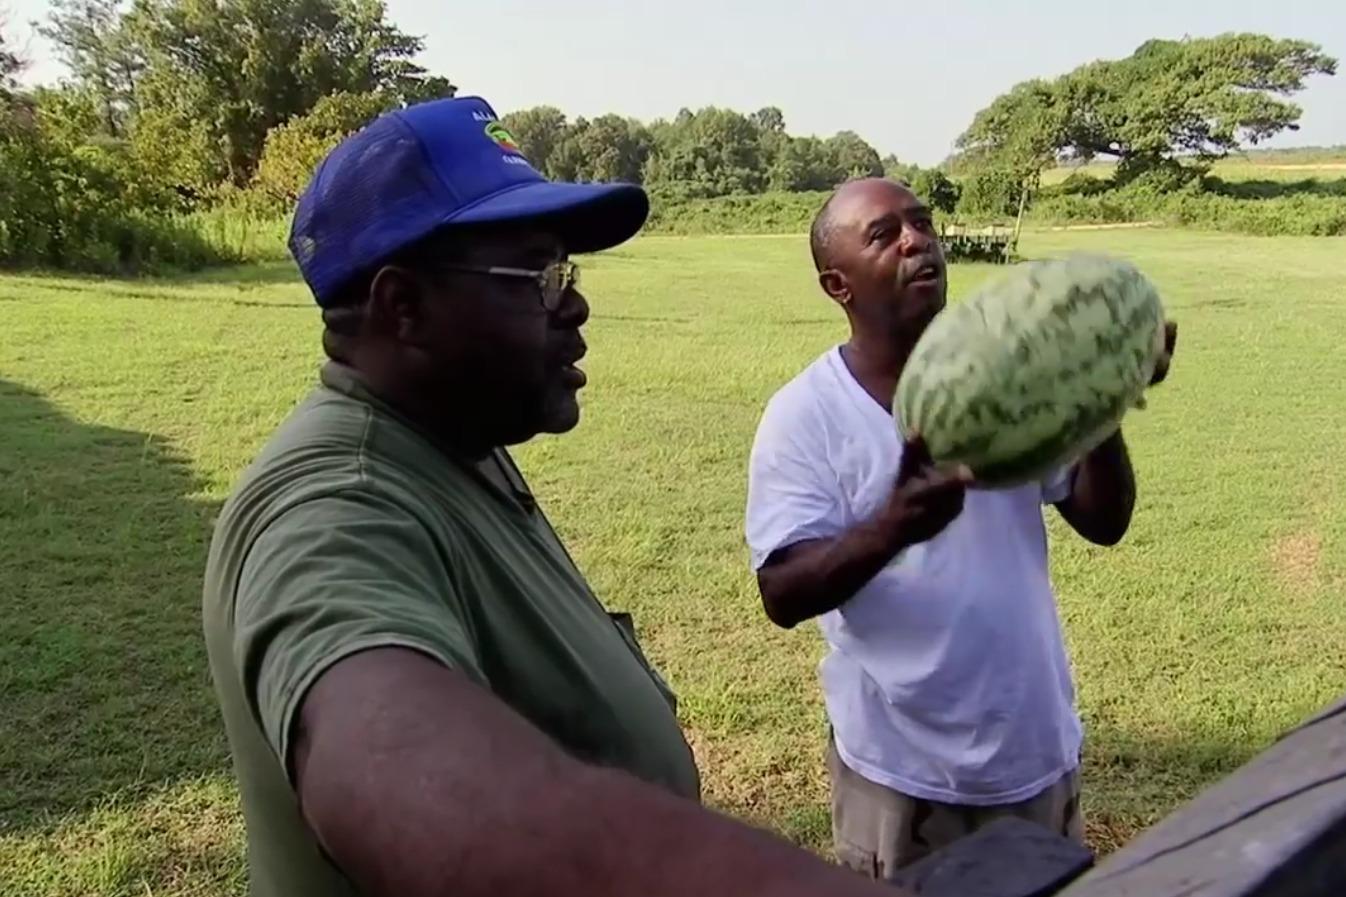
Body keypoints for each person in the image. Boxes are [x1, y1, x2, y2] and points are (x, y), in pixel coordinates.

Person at [202, 96, 903, 897]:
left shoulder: (452, 439)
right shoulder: (333, 500)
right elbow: (401, 775)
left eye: (567, 271)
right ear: (405, 307)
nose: (574, 303)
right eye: (539, 276)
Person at [743, 177, 1176, 882]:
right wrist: (893, 527)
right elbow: (781, 590)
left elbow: (1105, 520)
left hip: (1035, 752)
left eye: (922, 223)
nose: (916, 241)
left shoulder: (1017, 378)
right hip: (901, 778)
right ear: (837, 284)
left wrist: (1107, 392)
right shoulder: (805, 415)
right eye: (884, 235)